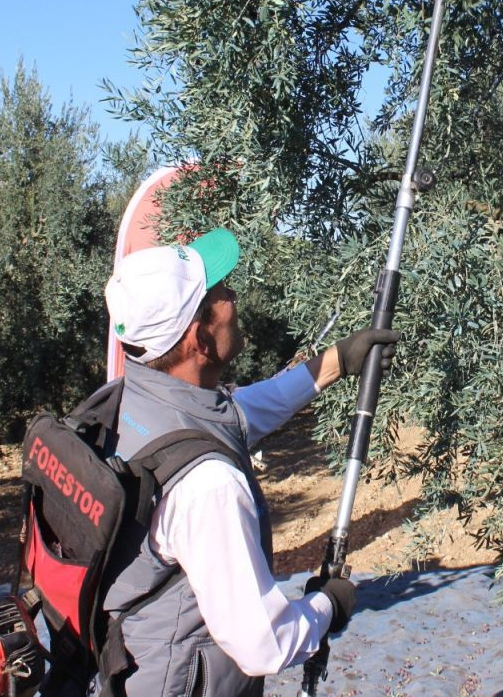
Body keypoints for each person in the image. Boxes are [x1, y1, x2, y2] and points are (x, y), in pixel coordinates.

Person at [96, 227, 397, 696]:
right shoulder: (207, 486)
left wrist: (337, 360)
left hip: (132, 664)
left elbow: (238, 413)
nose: (232, 294)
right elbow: (263, 644)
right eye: (219, 292)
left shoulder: (121, 404)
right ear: (199, 336)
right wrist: (327, 607)